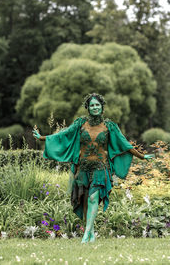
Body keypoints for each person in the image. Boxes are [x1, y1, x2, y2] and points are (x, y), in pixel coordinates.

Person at [33, 93, 153, 243]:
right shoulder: (80, 123)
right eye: (92, 105)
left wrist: (141, 156)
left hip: (100, 167)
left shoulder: (109, 125)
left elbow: (124, 143)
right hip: (82, 168)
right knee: (84, 200)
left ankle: (86, 235)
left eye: (97, 105)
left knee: (93, 197)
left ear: (102, 107)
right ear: (88, 108)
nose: (95, 107)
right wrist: (42, 137)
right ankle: (91, 233)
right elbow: (64, 134)